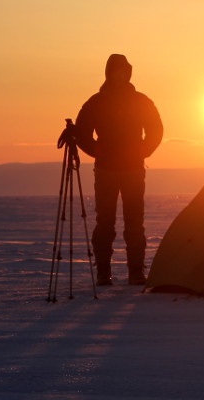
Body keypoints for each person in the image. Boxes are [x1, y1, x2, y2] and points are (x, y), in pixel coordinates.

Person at [74, 54, 163, 286]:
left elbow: (156, 129)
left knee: (135, 222)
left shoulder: (141, 101)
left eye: (123, 71)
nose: (119, 76)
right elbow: (82, 132)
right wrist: (98, 151)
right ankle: (104, 272)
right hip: (106, 170)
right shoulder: (97, 102)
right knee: (105, 222)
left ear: (129, 73)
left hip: (133, 169)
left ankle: (136, 272)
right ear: (108, 73)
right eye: (115, 71)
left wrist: (144, 150)